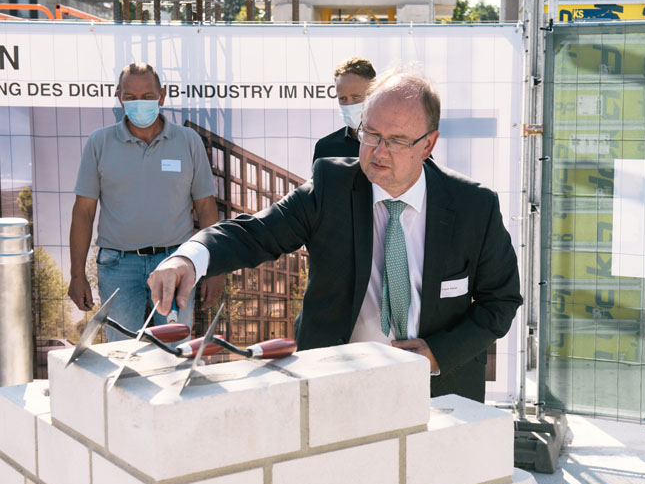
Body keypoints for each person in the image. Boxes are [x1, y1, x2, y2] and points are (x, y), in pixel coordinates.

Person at [149, 69, 522, 402]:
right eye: (370, 133)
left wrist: (437, 354)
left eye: (396, 140)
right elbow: (256, 233)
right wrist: (189, 258)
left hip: (437, 390)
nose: (378, 151)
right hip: (337, 383)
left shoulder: (473, 206)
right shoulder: (332, 186)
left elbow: (500, 301)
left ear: (428, 144)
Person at [68, 62, 224, 341]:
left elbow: (206, 208)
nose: (139, 103)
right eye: (131, 97)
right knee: (120, 356)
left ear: (162, 96)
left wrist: (213, 268)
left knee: (174, 352)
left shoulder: (188, 141)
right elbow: (83, 213)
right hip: (117, 267)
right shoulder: (99, 143)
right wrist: (77, 274)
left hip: (176, 263)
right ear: (119, 98)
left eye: (147, 96)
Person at [312, 57, 376, 162]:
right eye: (343, 98)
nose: (349, 104)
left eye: (356, 97)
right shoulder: (325, 148)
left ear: (373, 93)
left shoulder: (392, 144)